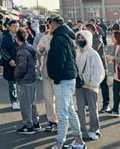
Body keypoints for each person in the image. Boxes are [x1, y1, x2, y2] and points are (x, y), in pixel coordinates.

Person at [47, 16, 85, 149]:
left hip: (63, 79)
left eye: (50, 25)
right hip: (69, 77)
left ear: (55, 25)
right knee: (69, 109)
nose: (49, 28)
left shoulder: (58, 38)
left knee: (62, 113)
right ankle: (78, 140)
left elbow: (59, 61)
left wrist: (56, 78)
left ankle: (59, 143)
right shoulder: (67, 36)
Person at [75, 30, 105, 141]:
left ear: (88, 39)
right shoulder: (76, 52)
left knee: (93, 108)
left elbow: (99, 71)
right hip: (79, 85)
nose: (80, 40)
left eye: (82, 38)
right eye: (78, 38)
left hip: (91, 86)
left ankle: (94, 130)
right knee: (80, 109)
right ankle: (82, 130)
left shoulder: (93, 53)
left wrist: (94, 85)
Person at [15, 29, 40, 134]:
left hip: (24, 80)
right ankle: (35, 123)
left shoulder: (21, 51)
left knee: (25, 104)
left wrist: (16, 76)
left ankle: (28, 126)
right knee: (32, 103)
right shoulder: (30, 47)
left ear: (17, 38)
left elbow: (21, 68)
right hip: (32, 78)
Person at [37, 22, 58, 132]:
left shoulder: (62, 37)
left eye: (54, 26)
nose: (52, 28)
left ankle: (62, 120)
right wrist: (40, 50)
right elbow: (39, 49)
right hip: (47, 72)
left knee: (60, 98)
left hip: (60, 74)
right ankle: (52, 120)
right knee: (48, 97)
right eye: (51, 26)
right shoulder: (45, 38)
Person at [85, 24, 110, 113]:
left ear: (91, 30)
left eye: (86, 30)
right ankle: (89, 104)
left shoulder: (97, 38)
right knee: (91, 85)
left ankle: (106, 105)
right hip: (92, 66)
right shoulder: (90, 38)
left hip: (101, 66)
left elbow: (93, 50)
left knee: (103, 86)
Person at [0, 19, 20, 110]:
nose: (15, 28)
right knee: (12, 83)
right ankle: (14, 101)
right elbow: (1, 49)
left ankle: (21, 100)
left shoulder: (21, 35)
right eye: (14, 26)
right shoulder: (5, 36)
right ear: (9, 27)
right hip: (10, 64)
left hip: (20, 63)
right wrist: (9, 59)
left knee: (21, 83)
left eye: (17, 26)